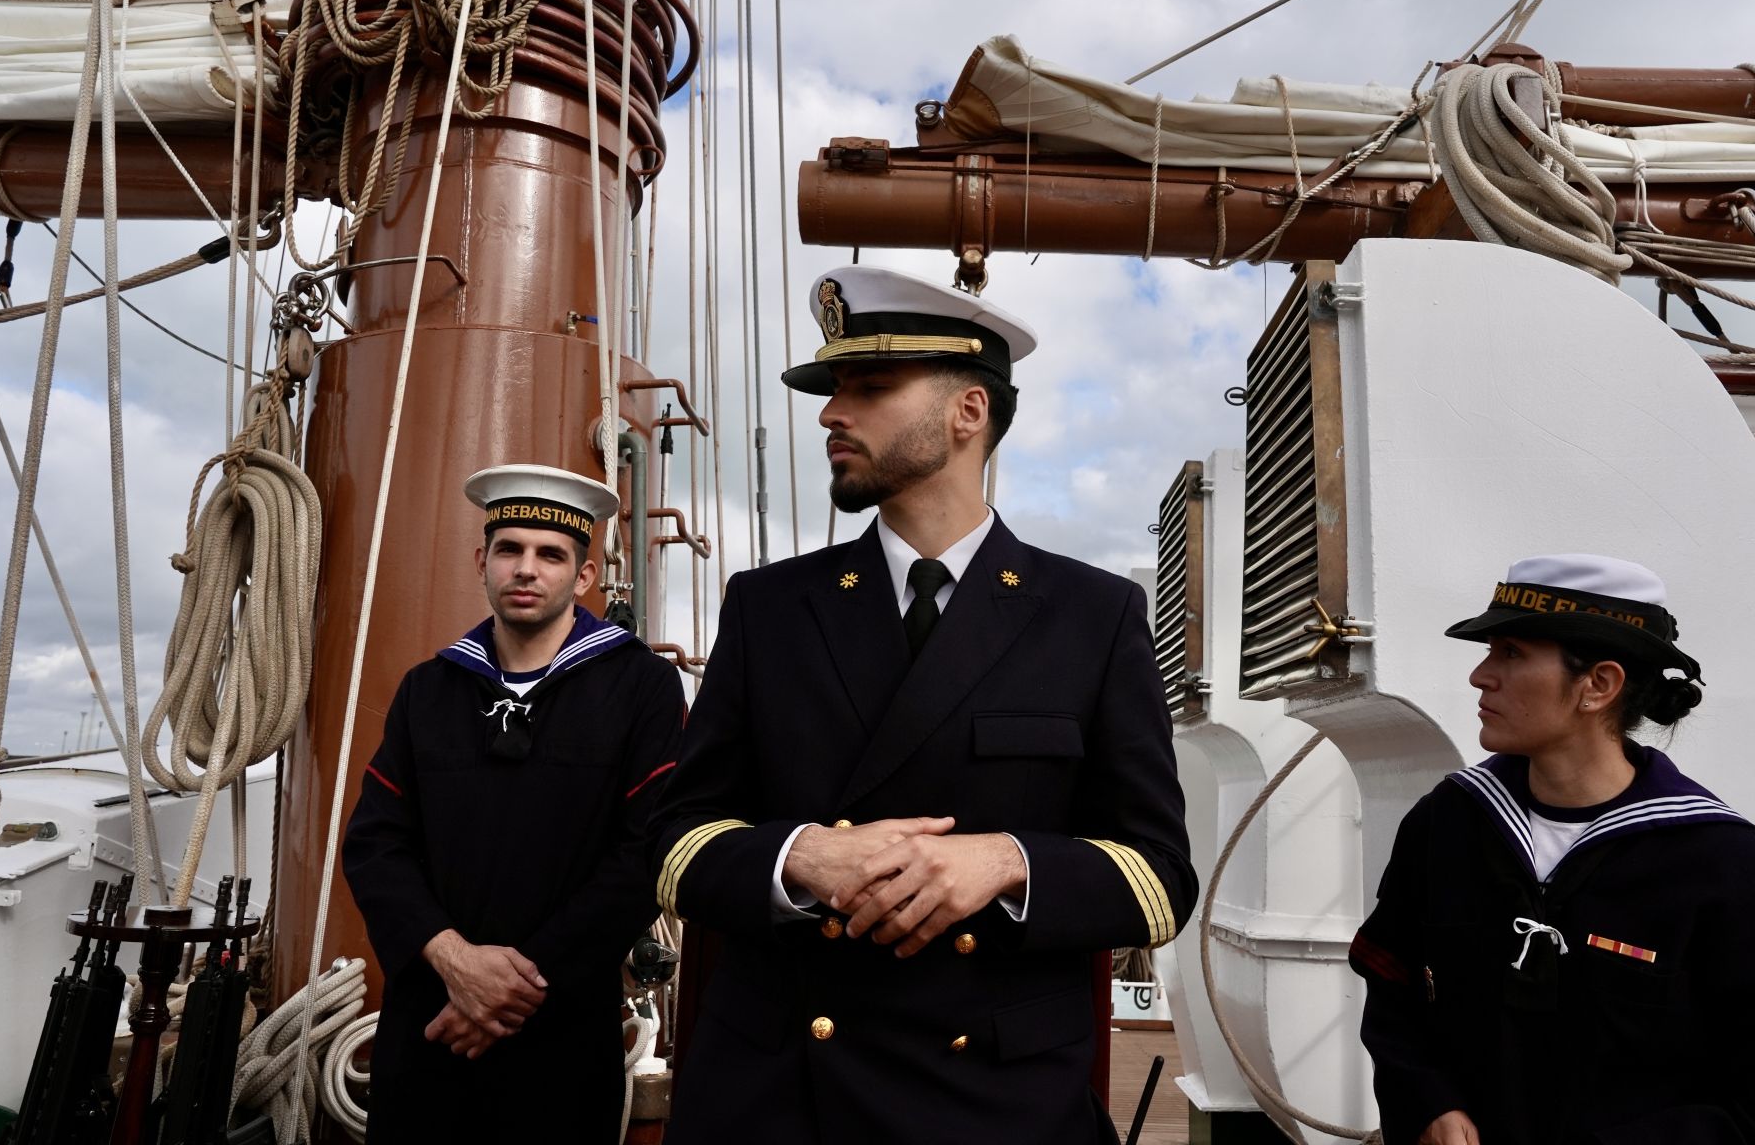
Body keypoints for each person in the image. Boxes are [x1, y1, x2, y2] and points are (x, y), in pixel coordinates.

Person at [648, 265, 1197, 1144]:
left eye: (868, 388)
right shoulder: (769, 608)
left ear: (968, 413)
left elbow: (1161, 882)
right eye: (834, 391)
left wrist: (1008, 863)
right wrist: (801, 859)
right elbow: (675, 847)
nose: (832, 412)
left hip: (993, 1105)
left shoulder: (1092, 617)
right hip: (784, 1096)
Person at [1350, 554, 1755, 1145]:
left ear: (1598, 685)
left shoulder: (1728, 869)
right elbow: (1393, 983)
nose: (1481, 675)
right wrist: (1428, 1099)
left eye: (1511, 653)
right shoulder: (1449, 821)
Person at [341, 464, 683, 1142]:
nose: (527, 569)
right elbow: (376, 844)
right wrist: (453, 960)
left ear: (584, 576)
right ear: (482, 561)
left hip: (560, 1036)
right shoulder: (427, 691)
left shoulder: (641, 689)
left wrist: (515, 985)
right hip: (430, 1029)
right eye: (510, 549)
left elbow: (646, 852)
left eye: (550, 555)